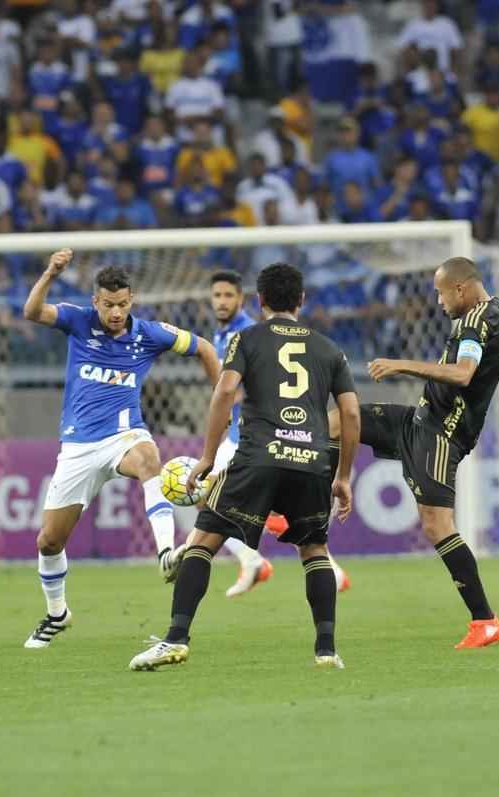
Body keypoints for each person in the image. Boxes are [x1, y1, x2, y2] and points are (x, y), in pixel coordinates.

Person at [129, 263, 360, 671]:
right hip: (311, 460)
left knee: (203, 542)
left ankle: (175, 640)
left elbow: (224, 393)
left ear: (260, 301)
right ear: (302, 301)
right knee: (315, 551)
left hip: (257, 458)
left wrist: (206, 455)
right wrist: (342, 475)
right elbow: (351, 415)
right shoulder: (329, 348)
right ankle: (326, 651)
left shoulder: (246, 338)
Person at [328, 256, 499, 648]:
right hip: (417, 420)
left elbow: (463, 373)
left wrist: (402, 365)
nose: (438, 302)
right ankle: (301, 510)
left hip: (440, 434)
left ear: (460, 289)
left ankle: (484, 620)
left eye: (440, 293)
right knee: (336, 422)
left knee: (437, 527)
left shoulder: (471, 324)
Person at [20, 249, 221, 649]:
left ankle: (166, 553)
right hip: (78, 446)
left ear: (132, 301)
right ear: (96, 301)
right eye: (109, 305)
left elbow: (205, 349)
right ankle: (57, 614)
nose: (116, 312)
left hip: (124, 435)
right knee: (48, 541)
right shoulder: (77, 321)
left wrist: (223, 402)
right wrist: (50, 273)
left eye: (123, 304)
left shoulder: (149, 333)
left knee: (149, 460)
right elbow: (31, 312)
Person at [204, 270, 352, 597]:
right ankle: (256, 559)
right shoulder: (223, 334)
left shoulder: (248, 333)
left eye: (229, 295)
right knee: (211, 500)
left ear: (247, 300)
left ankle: (254, 559)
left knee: (209, 499)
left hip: (259, 437)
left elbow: (250, 385)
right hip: (243, 436)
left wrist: (226, 399)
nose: (222, 301)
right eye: (217, 295)